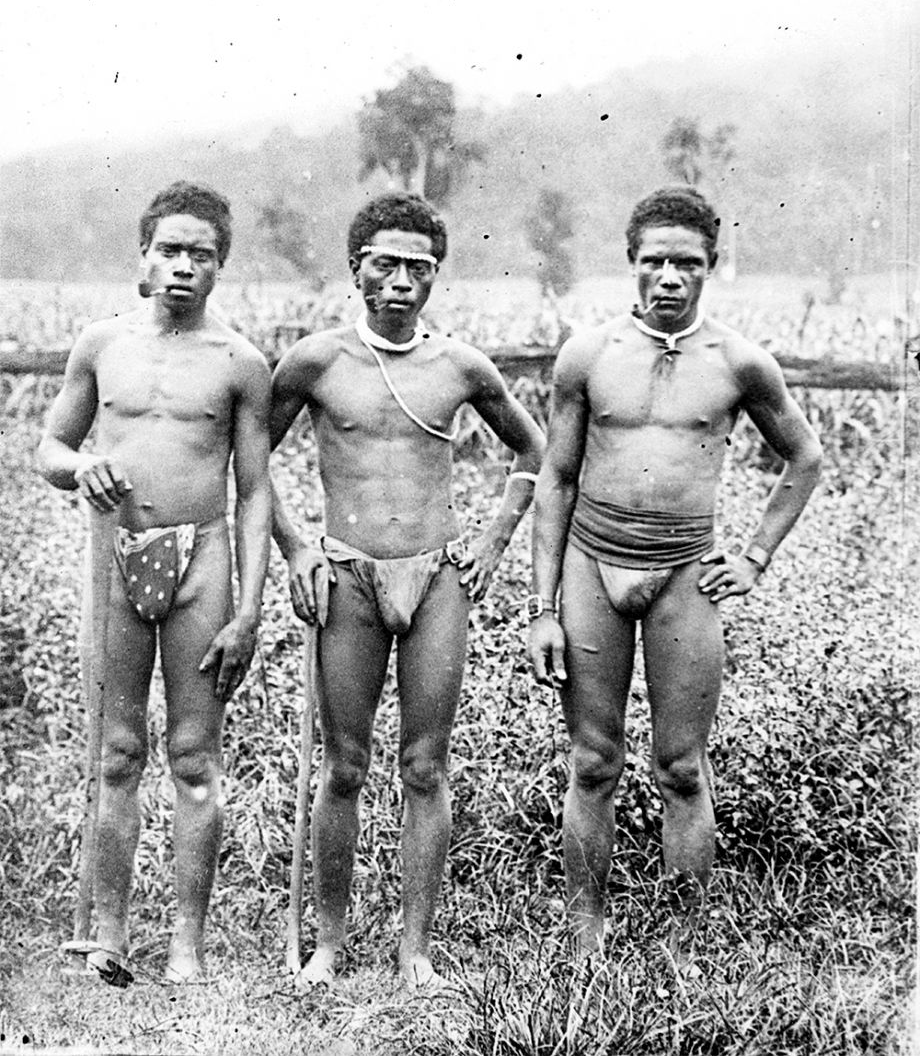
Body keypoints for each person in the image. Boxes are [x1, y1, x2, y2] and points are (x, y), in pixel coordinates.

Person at [527, 186, 822, 957]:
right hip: (594, 567)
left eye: (685, 264)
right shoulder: (587, 354)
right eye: (653, 261)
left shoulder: (740, 362)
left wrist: (754, 555)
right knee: (593, 762)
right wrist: (542, 606)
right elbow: (556, 477)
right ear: (631, 263)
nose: (668, 277)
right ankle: (584, 940)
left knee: (682, 767)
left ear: (709, 270)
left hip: (685, 576)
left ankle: (680, 949)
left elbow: (805, 456)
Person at [270, 191, 545, 989]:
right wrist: (295, 550)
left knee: (426, 765)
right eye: (383, 265)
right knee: (345, 765)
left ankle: (414, 951)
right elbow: (247, 460)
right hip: (347, 572)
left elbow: (534, 450)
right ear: (356, 269)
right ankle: (328, 943)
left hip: (437, 578)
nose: (399, 283)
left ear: (436, 277)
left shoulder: (461, 367)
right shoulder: (316, 361)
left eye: (417, 269)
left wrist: (494, 543)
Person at [37, 181, 271, 983]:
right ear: (144, 256)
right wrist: (82, 466)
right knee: (117, 752)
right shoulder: (102, 344)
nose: (181, 266)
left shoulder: (240, 362)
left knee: (194, 756)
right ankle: (107, 935)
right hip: (117, 556)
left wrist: (248, 609)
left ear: (219, 267)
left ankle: (186, 946)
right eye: (168, 250)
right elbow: (50, 448)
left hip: (202, 558)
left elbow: (255, 491)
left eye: (199, 255)